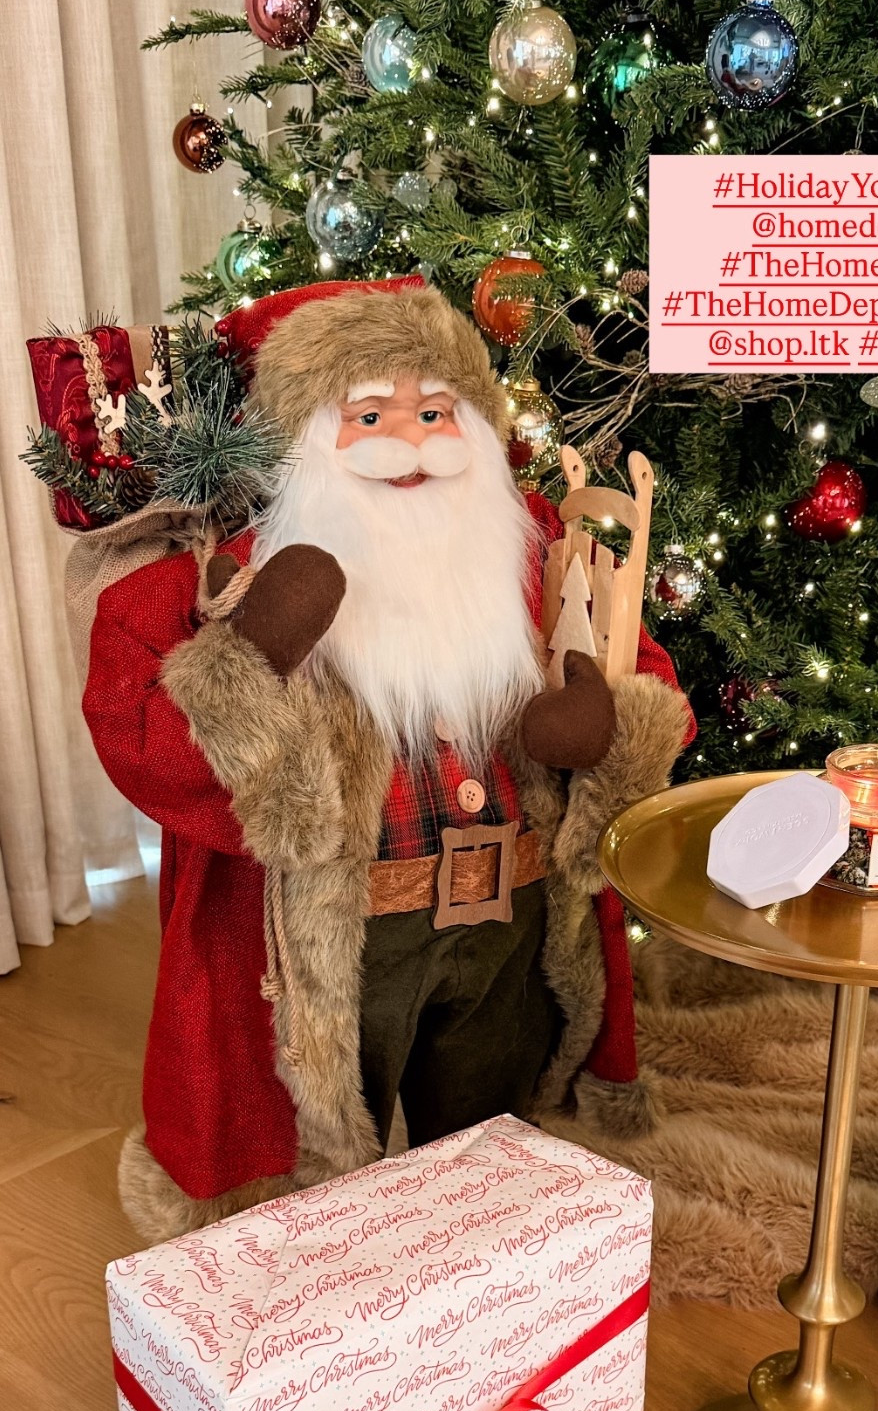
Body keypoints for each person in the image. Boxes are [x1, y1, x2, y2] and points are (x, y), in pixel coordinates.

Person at [83, 279, 692, 1243]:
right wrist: (248, 661)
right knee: (321, 1162)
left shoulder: (532, 546)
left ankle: (485, 1255)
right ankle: (346, 1295)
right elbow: (139, 733)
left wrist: (603, 722)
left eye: (435, 410)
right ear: (303, 437)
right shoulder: (231, 575)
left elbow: (633, 661)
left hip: (511, 916)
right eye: (368, 412)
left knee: (495, 1138)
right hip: (345, 934)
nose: (409, 439)